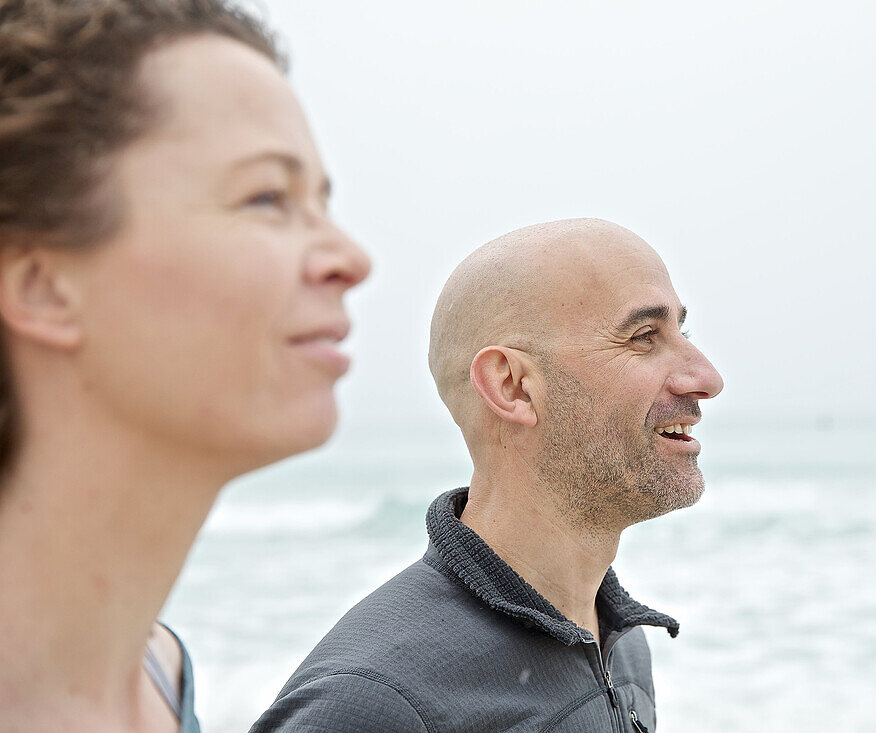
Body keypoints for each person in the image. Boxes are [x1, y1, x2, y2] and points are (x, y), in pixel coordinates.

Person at [0, 1, 370, 731]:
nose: (351, 259)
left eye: (322, 202)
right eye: (267, 196)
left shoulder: (163, 675)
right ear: (41, 286)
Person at [252, 218, 723, 732]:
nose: (707, 379)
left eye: (683, 330)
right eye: (644, 337)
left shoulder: (620, 640)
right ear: (512, 386)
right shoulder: (370, 704)